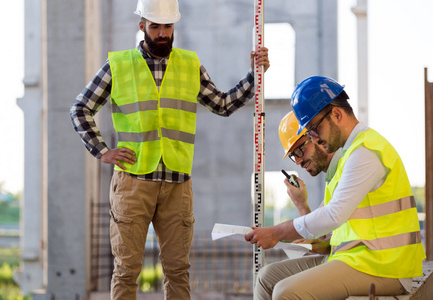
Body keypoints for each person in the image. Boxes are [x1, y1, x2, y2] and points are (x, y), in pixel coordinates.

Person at [70, 0, 269, 299]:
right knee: (126, 271)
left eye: (167, 26)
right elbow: (80, 108)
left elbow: (224, 105)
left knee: (178, 271)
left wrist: (255, 74)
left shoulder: (189, 65)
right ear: (142, 27)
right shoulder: (118, 65)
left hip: (177, 183)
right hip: (133, 182)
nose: (162, 33)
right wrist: (101, 151)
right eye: (155, 27)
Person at [245, 76, 425, 299]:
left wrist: (276, 231)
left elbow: (333, 214)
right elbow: (337, 227)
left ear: (337, 115)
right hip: (357, 258)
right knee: (267, 278)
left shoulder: (366, 152)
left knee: (285, 292)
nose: (314, 137)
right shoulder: (349, 157)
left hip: (384, 265)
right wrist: (319, 235)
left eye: (313, 129)